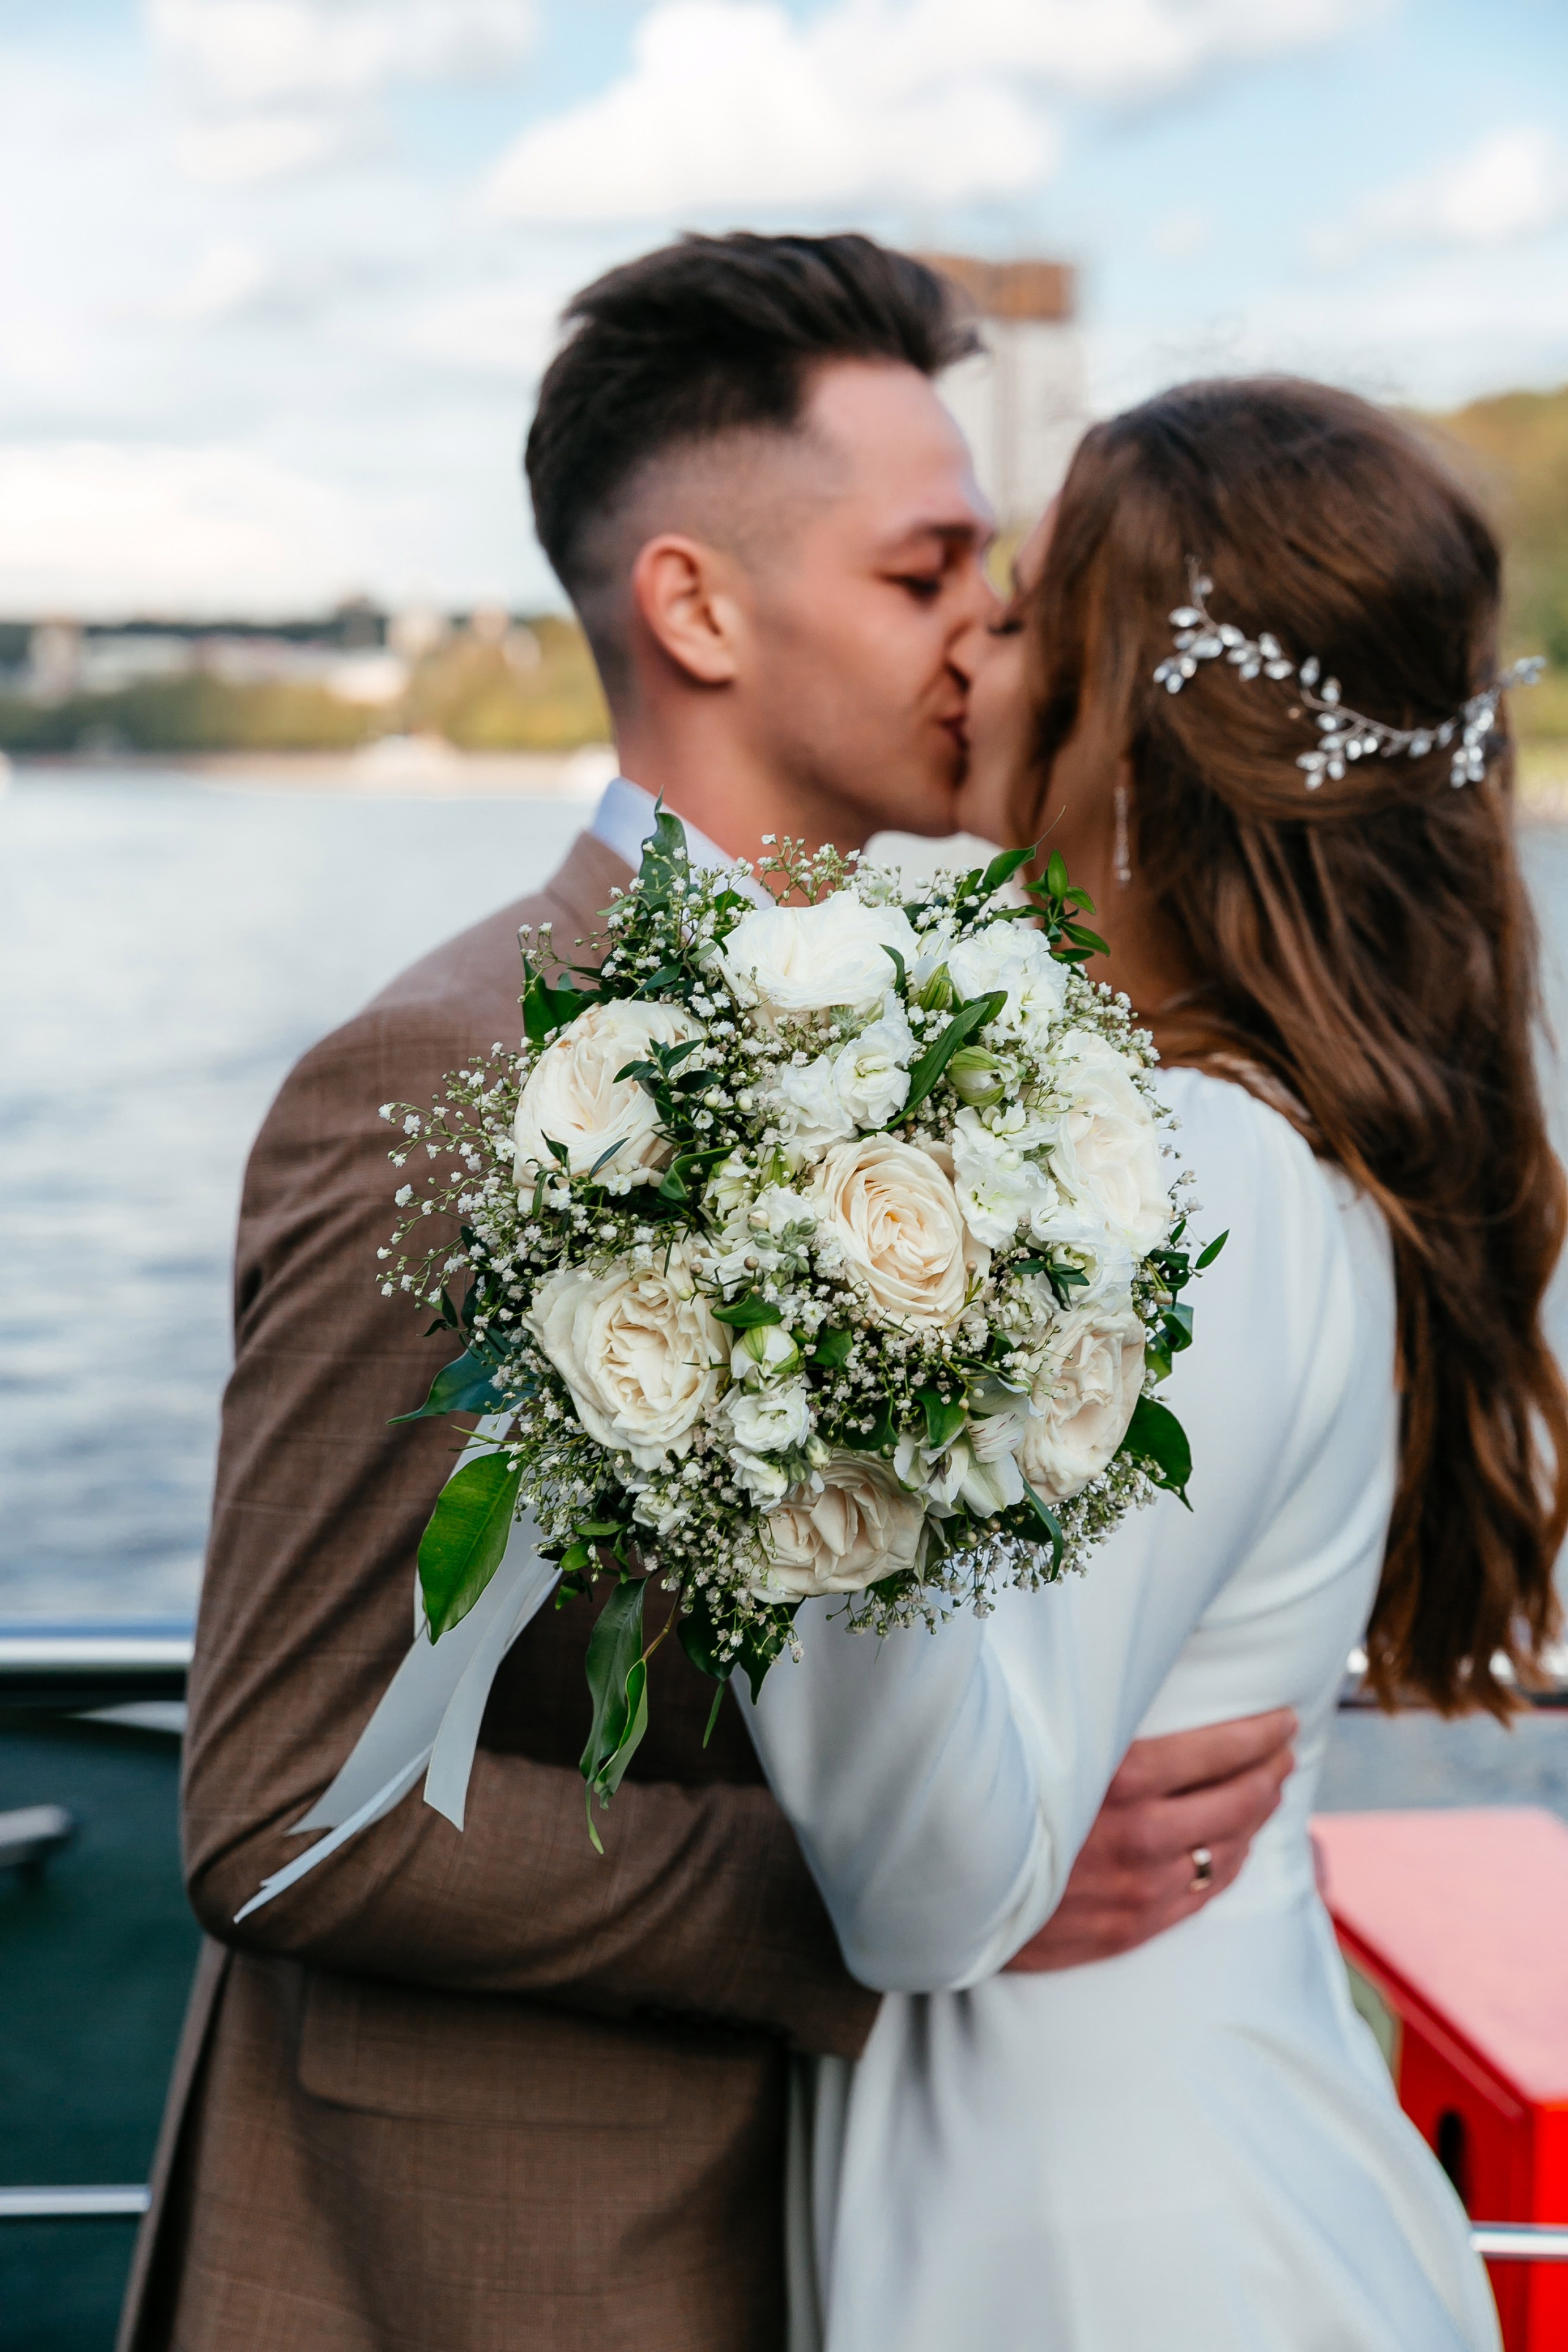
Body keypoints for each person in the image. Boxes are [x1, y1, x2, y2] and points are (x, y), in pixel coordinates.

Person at [119, 238, 1295, 2352]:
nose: (991, 638)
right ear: (697, 606)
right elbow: (282, 1806)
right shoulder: (449, 1070)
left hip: (888, 2219)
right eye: (927, 573)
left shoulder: (987, 1053)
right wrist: (912, 1902)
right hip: (516, 2249)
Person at [743, 376, 1568, 2351]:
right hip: (1128, 2130)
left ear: (1130, 719)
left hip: (1098, 2234)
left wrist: (765, 1369)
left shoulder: (1185, 1172)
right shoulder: (1225, 1139)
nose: (971, 650)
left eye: (1022, 612)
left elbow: (931, 1890)